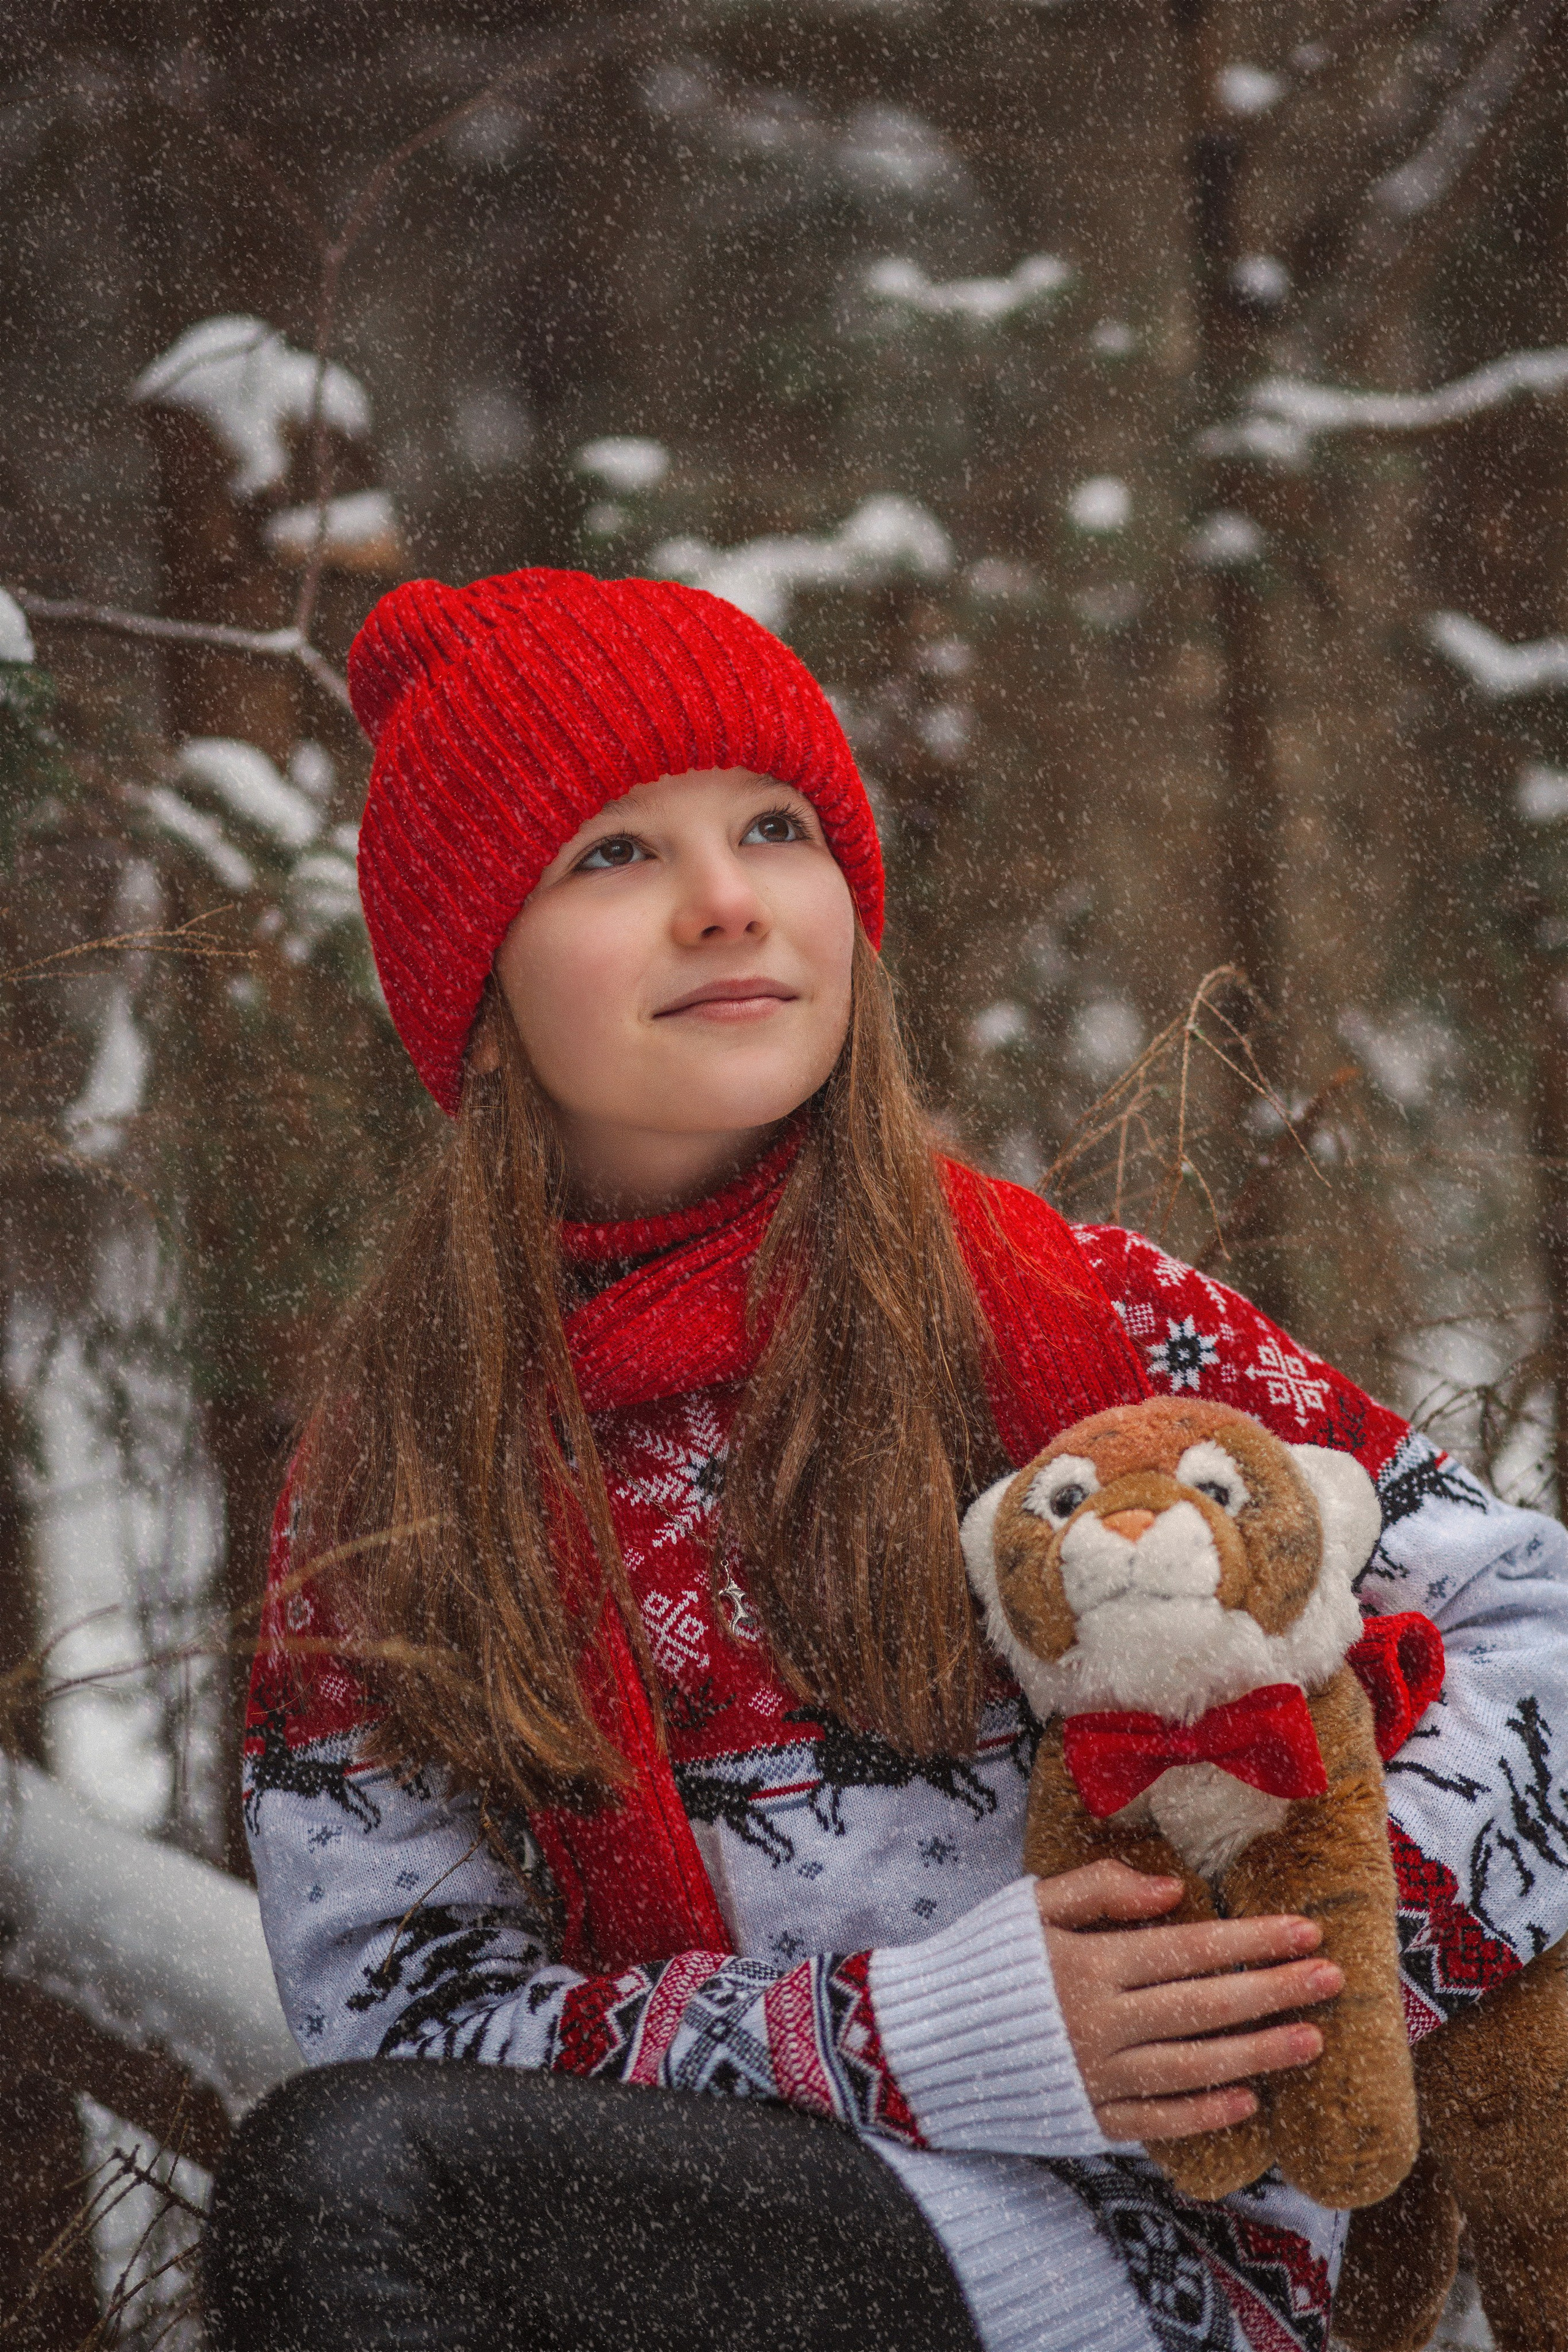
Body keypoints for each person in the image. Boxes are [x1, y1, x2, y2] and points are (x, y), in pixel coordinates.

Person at [203, 569, 1568, 2352]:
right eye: (612, 855)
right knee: (351, 2167)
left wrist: (1283, 1988)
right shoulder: (402, 1476)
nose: (722, 904)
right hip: (717, 2228)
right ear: (476, 966)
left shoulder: (1082, 1311)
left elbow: (1538, 1630)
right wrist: (922, 2036)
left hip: (1160, 2253)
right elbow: (404, 2009)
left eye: (774, 829)